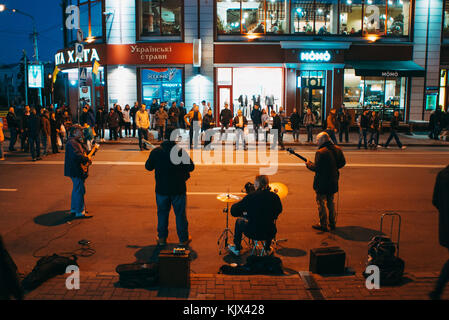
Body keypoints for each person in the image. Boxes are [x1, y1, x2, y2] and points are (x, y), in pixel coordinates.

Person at [145, 139, 194, 246]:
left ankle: (162, 238)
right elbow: (191, 167)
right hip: (178, 189)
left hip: (162, 189)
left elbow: (148, 167)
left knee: (162, 214)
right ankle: (183, 239)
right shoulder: (180, 151)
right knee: (180, 215)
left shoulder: (156, 152)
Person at [227, 175, 283, 256]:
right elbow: (279, 210)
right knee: (270, 223)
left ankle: (237, 248)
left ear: (256, 185)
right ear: (267, 184)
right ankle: (267, 248)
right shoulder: (275, 197)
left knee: (239, 221)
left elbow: (234, 211)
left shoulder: (250, 197)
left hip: (252, 232)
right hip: (269, 232)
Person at [306, 132, 346, 232]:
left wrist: (308, 164)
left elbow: (317, 168)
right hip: (333, 180)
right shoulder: (337, 149)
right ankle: (332, 223)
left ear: (323, 140)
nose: (316, 142)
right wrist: (333, 168)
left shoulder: (321, 152)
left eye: (317, 140)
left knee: (320, 203)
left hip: (322, 182)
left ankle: (323, 224)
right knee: (331, 202)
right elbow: (342, 163)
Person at [64, 125, 93, 219]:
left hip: (74, 169)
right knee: (79, 190)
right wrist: (86, 158)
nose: (81, 132)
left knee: (77, 189)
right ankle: (80, 211)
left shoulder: (75, 141)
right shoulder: (73, 142)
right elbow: (77, 156)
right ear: (74, 132)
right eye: (80, 130)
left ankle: (74, 209)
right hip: (75, 169)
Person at [430, 165, 449, 300]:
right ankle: (437, 290)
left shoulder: (442, 174)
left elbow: (435, 201)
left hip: (446, 226)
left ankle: (437, 291)